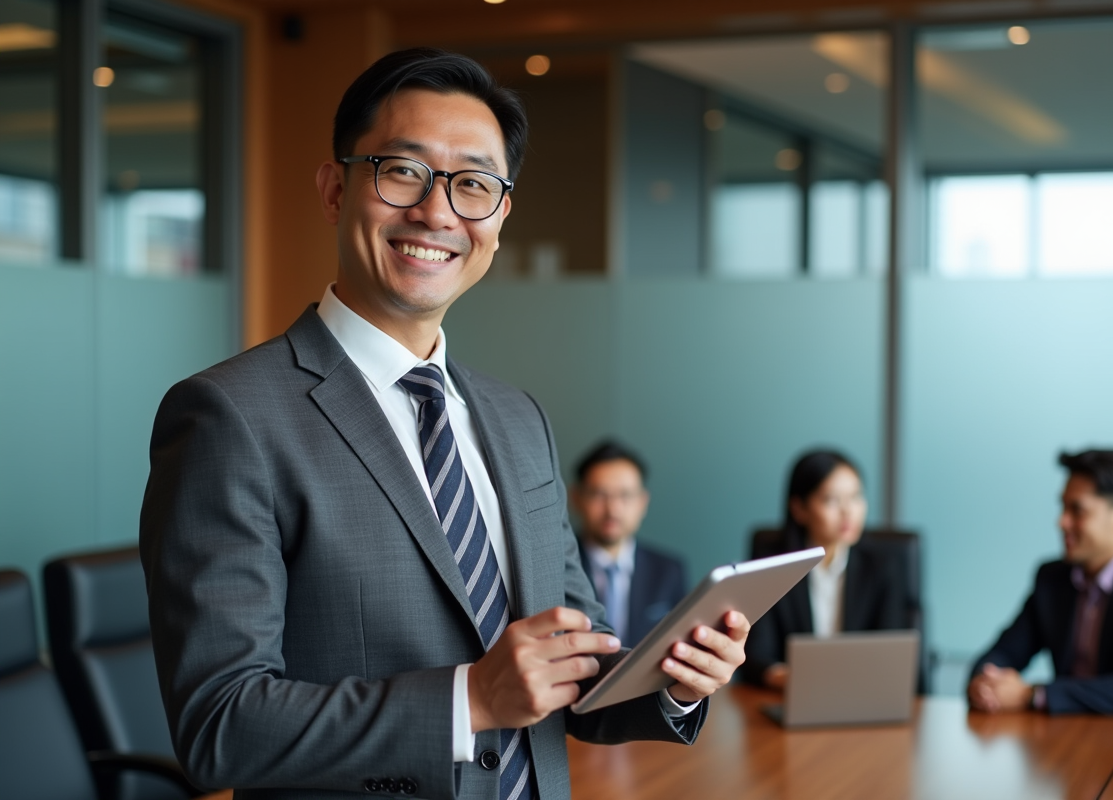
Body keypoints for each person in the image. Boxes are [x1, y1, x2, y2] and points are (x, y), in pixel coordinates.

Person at [139, 48, 749, 800]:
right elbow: (219, 727)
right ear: (335, 189)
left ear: (499, 217)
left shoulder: (517, 418)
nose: (436, 212)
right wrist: (470, 700)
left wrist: (673, 676)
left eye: (473, 185)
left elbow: (572, 667)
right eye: (402, 171)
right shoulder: (230, 417)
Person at [968, 449, 1113, 717]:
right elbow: (1003, 653)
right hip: (1069, 736)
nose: (1062, 522)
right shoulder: (1052, 578)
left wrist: (1032, 694)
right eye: (1062, 507)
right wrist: (985, 683)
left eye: (1077, 511)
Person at [742, 449, 910, 688]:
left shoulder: (884, 566)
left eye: (856, 497)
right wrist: (786, 678)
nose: (848, 511)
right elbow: (757, 653)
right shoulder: (772, 566)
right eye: (831, 500)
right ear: (799, 508)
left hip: (862, 696)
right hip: (790, 696)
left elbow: (892, 654)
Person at [571, 440, 688, 646]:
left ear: (643, 502)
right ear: (576, 498)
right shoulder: (556, 569)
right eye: (599, 495)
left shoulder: (669, 570)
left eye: (625, 495)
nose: (613, 510)